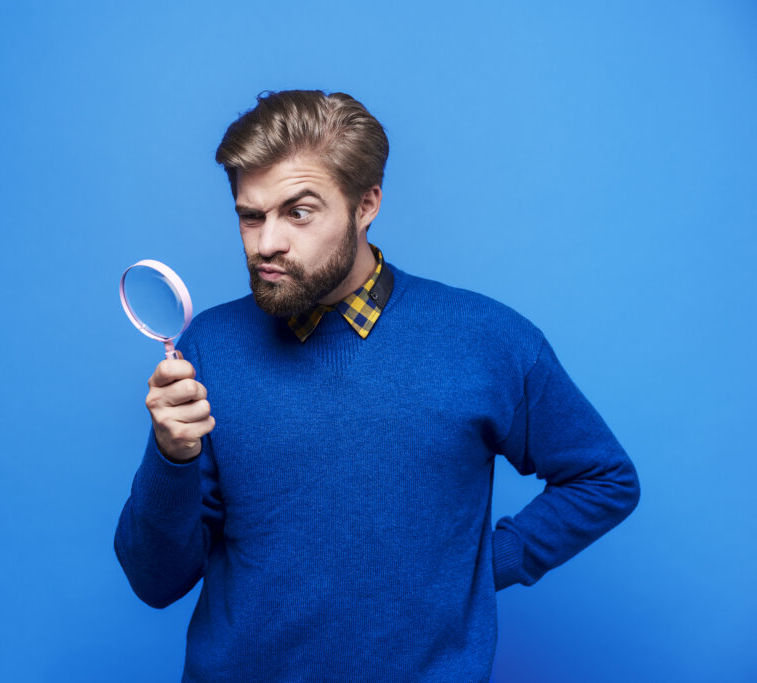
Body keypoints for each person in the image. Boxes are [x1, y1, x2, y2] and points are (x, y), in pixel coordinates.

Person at [113, 90, 641, 682]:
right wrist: (171, 457)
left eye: (299, 212)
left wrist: (482, 566)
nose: (266, 244)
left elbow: (604, 478)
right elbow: (153, 582)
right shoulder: (210, 347)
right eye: (250, 215)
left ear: (367, 205)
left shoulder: (486, 339)